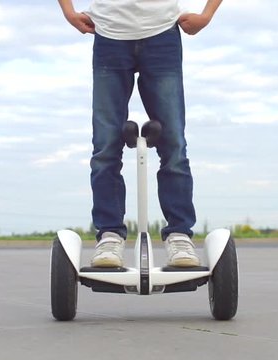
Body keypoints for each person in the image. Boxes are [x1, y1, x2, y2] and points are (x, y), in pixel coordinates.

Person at [58, 0, 223, 268]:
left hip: (162, 33)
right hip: (109, 34)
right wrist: (67, 11)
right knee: (105, 147)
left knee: (173, 146)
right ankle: (109, 235)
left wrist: (207, 14)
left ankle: (180, 234)